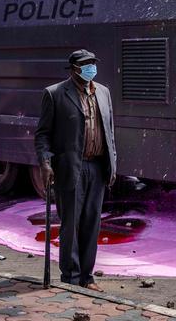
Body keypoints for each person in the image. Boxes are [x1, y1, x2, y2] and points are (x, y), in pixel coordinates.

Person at [34, 49, 117, 291]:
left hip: (97, 166)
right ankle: (70, 278)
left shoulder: (103, 92)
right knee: (71, 223)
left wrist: (113, 163)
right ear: (72, 69)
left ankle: (87, 277)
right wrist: (45, 163)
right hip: (71, 168)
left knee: (92, 223)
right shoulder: (55, 94)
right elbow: (43, 135)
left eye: (93, 62)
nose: (90, 67)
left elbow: (109, 131)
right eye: (85, 64)